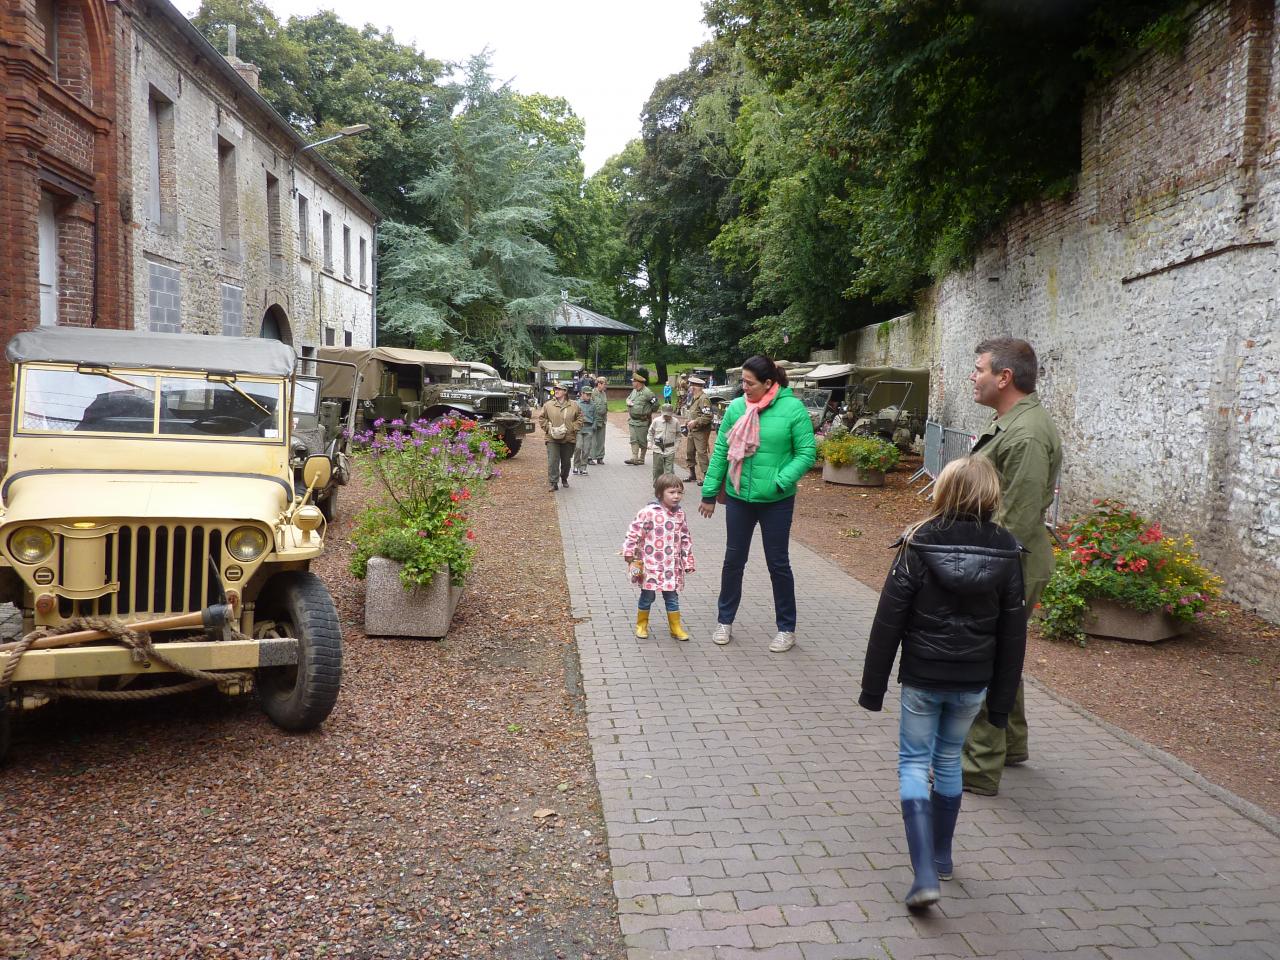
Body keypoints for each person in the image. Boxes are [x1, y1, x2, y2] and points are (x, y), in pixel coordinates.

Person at [858, 456, 1028, 910]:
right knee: (948, 760)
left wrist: (872, 689)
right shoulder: (1008, 550)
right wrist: (1000, 703)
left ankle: (924, 874)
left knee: (914, 763)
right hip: (972, 680)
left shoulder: (919, 542)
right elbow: (1014, 633)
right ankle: (942, 854)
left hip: (923, 675)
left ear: (944, 492)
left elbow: (888, 620)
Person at [961, 336, 1062, 797]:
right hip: (1005, 558)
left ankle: (978, 767)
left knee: (986, 657)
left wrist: (975, 572)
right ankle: (1012, 743)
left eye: (979, 368)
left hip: (1008, 563)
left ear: (1004, 377)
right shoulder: (1012, 423)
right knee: (1003, 652)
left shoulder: (1025, 434)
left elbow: (1015, 520)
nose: (972, 376)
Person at [698, 355, 816, 653]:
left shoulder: (793, 409)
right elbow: (722, 450)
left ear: (768, 383)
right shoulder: (737, 408)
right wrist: (709, 493)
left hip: (776, 500)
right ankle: (724, 621)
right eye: (742, 382)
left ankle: (786, 628)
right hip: (739, 497)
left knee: (778, 564)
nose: (744, 387)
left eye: (749, 383)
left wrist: (780, 480)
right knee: (733, 561)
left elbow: (806, 453)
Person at [622, 473, 695, 641]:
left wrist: (688, 560)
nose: (676, 496)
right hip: (651, 565)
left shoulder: (680, 515)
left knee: (672, 597)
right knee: (648, 596)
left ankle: (675, 627)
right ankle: (641, 624)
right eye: (672, 492)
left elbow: (685, 538)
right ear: (660, 493)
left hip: (671, 566)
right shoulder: (648, 512)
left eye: (679, 492)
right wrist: (629, 551)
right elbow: (634, 532)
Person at [536, 382, 584, 492]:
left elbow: (580, 419)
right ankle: (553, 482)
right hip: (552, 438)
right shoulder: (548, 405)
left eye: (559, 389)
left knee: (566, 461)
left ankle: (564, 478)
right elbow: (541, 418)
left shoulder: (574, 405)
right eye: (555, 389)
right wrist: (548, 428)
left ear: (565, 392)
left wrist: (572, 427)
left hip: (568, 437)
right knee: (553, 460)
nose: (556, 391)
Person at [625, 369, 659, 465]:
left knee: (642, 441)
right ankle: (634, 457)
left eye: (633, 381)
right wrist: (628, 402)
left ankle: (641, 458)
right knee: (633, 439)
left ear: (638, 383)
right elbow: (629, 398)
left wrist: (649, 411)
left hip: (642, 421)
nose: (632, 383)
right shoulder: (634, 391)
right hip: (632, 420)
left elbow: (656, 404)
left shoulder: (648, 393)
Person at [683, 376, 713, 484]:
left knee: (701, 453)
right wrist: (688, 422)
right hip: (692, 431)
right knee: (689, 452)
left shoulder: (703, 399)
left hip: (701, 431)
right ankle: (692, 475)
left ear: (696, 387)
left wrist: (695, 422)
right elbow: (693, 413)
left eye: (691, 385)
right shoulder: (694, 397)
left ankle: (706, 477)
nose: (689, 387)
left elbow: (708, 416)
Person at [648, 403, 680, 483]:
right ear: (662, 413)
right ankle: (657, 487)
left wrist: (676, 446)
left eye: (669, 415)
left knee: (669, 471)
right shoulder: (656, 421)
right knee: (657, 470)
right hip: (658, 448)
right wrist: (649, 442)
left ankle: (669, 487)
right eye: (665, 415)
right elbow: (650, 432)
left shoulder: (675, 422)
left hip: (670, 449)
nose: (667, 417)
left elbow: (678, 435)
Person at [572, 383, 598, 476]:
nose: (589, 396)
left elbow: (595, 417)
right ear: (582, 394)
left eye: (590, 394)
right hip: (579, 429)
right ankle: (576, 465)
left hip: (589, 428)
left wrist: (594, 426)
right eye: (587, 394)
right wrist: (574, 427)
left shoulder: (593, 405)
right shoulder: (576, 404)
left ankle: (583, 467)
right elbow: (573, 417)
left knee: (586, 449)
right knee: (578, 447)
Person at [588, 376, 610, 463]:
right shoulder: (592, 393)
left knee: (601, 439)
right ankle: (589, 457)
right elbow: (589, 407)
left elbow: (605, 406)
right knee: (592, 440)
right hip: (594, 420)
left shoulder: (603, 393)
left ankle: (600, 457)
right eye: (604, 384)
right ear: (599, 384)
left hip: (602, 419)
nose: (605, 386)